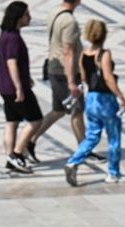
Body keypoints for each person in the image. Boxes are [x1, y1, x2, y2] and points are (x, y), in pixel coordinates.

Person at [63, 20, 125, 186]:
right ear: (104, 35)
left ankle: (73, 161)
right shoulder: (104, 54)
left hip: (91, 98)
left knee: (92, 135)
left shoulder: (84, 54)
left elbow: (84, 77)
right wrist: (121, 98)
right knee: (114, 137)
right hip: (105, 100)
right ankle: (113, 173)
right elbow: (108, 78)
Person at [30, 0, 85, 158]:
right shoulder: (69, 21)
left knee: (58, 110)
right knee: (77, 111)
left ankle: (30, 141)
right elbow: (68, 51)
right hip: (65, 72)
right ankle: (84, 149)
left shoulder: (55, 11)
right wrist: (71, 82)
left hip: (55, 68)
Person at [0, 2, 41, 174]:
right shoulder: (13, 38)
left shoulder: (6, 34)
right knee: (36, 120)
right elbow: (11, 63)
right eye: (26, 14)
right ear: (19, 17)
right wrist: (19, 87)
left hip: (4, 86)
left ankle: (10, 158)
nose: (29, 18)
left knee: (12, 122)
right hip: (14, 88)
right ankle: (16, 154)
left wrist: (26, 77)